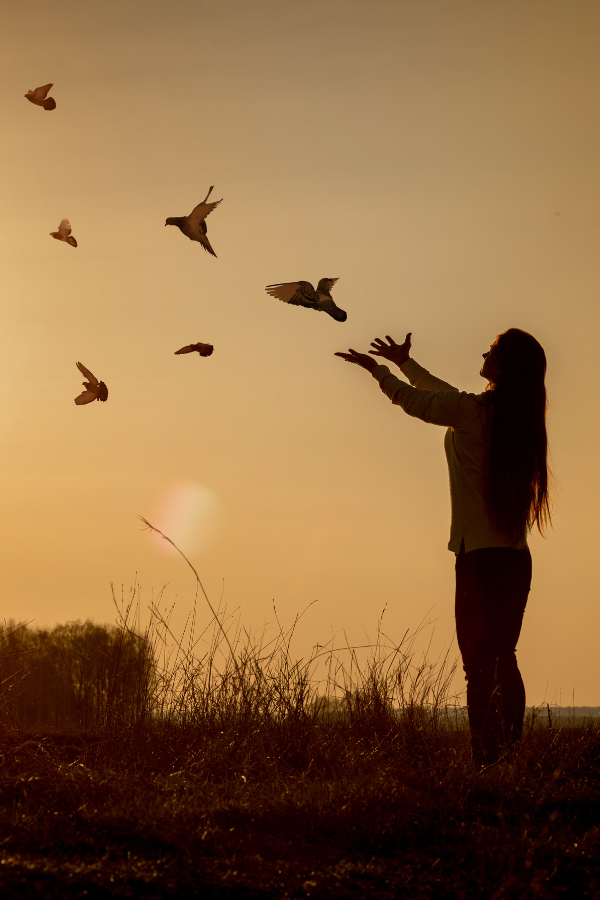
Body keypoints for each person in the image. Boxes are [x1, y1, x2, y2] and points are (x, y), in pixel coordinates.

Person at [335, 330, 551, 764]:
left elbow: (421, 403)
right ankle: (506, 754)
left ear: (503, 366)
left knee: (478, 666)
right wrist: (405, 365)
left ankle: (487, 759)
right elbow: (445, 395)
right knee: (503, 657)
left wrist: (378, 371)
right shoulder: (515, 418)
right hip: (514, 558)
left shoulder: (472, 412)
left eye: (491, 350)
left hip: (478, 559)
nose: (484, 352)